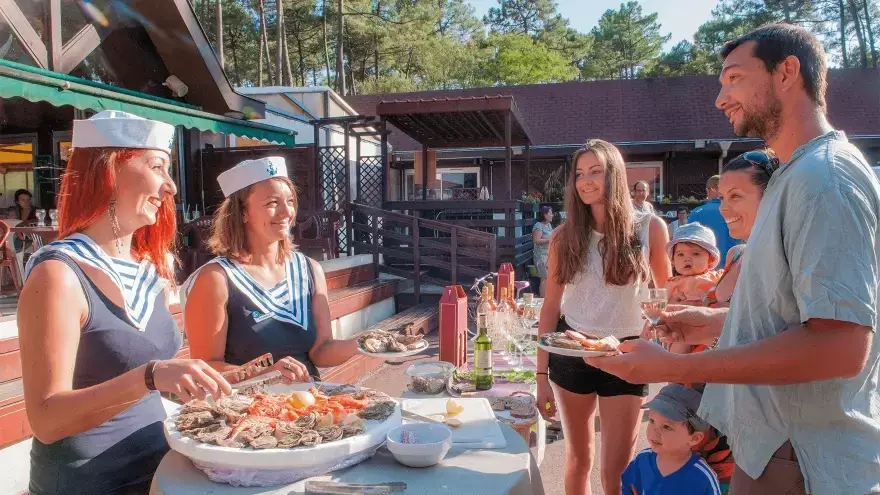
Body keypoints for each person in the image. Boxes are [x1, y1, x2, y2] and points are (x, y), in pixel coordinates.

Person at [588, 24, 880, 495]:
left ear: (787, 72)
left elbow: (841, 346)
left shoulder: (826, 179)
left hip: (801, 460)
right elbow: (795, 314)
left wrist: (672, 368)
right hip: (773, 449)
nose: (721, 99)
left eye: (734, 78)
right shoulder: (793, 174)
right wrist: (714, 322)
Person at [17, 111, 231, 495]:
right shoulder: (58, 274)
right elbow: (45, 420)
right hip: (88, 484)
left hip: (161, 470)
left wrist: (244, 379)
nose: (170, 187)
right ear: (110, 170)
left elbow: (152, 379)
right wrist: (149, 376)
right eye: (157, 167)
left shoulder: (149, 268)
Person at [535, 140, 671, 495]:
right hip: (572, 350)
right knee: (579, 460)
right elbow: (550, 307)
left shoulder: (649, 228)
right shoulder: (563, 236)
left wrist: (650, 330)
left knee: (617, 472)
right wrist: (540, 376)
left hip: (626, 355)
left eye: (596, 171)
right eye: (580, 174)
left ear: (615, 174)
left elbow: (663, 294)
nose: (586, 181)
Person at [182, 157, 360, 383]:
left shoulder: (309, 270)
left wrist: (364, 344)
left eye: (290, 201)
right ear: (242, 213)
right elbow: (206, 368)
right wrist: (262, 371)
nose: (287, 212)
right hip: (251, 412)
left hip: (310, 405)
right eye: (272, 203)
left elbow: (321, 351)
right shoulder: (216, 278)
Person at [621, 384, 721, 495]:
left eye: (667, 427)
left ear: (694, 438)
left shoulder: (703, 477)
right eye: (652, 421)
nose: (655, 431)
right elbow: (627, 487)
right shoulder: (641, 461)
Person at [664, 223, 722, 306]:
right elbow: (663, 304)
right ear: (673, 260)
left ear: (711, 259)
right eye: (680, 254)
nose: (687, 259)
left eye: (695, 254)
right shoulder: (673, 283)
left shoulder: (716, 278)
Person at [687, 176, 739, 264]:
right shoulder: (736, 211)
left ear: (708, 190)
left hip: (704, 267)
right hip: (732, 265)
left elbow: (688, 242)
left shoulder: (697, 212)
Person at [531, 205, 554, 297]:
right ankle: (542, 300)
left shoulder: (548, 225)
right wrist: (551, 240)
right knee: (544, 278)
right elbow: (536, 241)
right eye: (550, 213)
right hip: (540, 256)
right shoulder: (538, 226)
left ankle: (548, 299)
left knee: (549, 278)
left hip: (548, 255)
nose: (552, 215)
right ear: (544, 215)